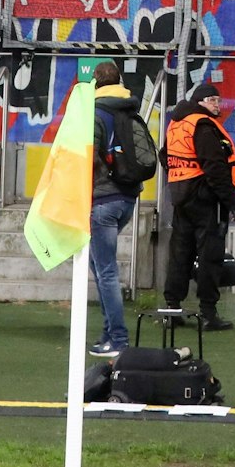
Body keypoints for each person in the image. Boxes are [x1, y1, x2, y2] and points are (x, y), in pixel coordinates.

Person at [162, 82, 235, 331]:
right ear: (201, 102)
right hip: (206, 199)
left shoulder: (177, 123)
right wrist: (230, 202)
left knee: (180, 254)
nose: (218, 105)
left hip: (181, 196)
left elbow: (165, 156)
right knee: (210, 256)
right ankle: (208, 313)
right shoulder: (203, 126)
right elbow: (215, 168)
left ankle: (171, 309)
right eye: (213, 100)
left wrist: (182, 176)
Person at [88, 61, 147, 358]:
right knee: (99, 266)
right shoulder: (130, 109)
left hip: (103, 199)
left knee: (106, 270)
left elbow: (89, 155)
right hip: (127, 197)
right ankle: (109, 333)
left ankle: (118, 338)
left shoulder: (95, 113)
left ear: (95, 82)